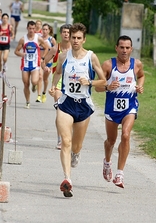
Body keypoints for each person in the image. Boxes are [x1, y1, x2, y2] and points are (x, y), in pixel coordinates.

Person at [49, 23, 106, 198]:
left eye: (79, 38)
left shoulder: (91, 57)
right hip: (66, 103)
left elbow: (103, 81)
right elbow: (58, 73)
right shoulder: (63, 56)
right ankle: (67, 180)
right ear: (70, 38)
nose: (75, 40)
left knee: (76, 144)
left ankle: (77, 153)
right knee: (65, 141)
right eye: (73, 37)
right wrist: (53, 87)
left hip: (83, 105)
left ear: (84, 39)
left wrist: (89, 82)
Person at [95, 35, 145, 188]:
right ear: (116, 48)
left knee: (125, 135)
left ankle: (120, 174)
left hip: (129, 106)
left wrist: (140, 86)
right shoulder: (108, 65)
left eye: (127, 48)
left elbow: (141, 76)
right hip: (112, 108)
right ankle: (107, 161)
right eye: (121, 47)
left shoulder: (136, 64)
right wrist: (107, 87)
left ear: (131, 49)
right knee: (111, 141)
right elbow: (97, 87)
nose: (124, 50)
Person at [41, 23, 71, 149]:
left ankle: (67, 136)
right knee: (60, 111)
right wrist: (46, 69)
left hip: (71, 83)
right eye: (64, 32)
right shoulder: (55, 48)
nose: (66, 34)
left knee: (69, 113)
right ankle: (60, 139)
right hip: (58, 82)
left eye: (68, 32)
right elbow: (44, 62)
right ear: (60, 34)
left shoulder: (75, 50)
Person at [14, 20, 50, 109]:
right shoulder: (23, 39)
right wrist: (22, 54)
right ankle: (27, 102)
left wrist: (42, 58)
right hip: (25, 65)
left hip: (35, 64)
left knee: (34, 81)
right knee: (26, 84)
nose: (31, 30)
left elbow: (46, 48)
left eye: (33, 28)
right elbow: (16, 51)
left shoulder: (38, 38)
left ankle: (34, 85)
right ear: (27, 28)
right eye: (30, 28)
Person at [35, 23, 56, 103]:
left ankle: (44, 93)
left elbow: (55, 50)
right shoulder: (39, 39)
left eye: (46, 29)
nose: (44, 31)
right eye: (43, 29)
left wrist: (48, 47)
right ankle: (39, 96)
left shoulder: (51, 39)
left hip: (48, 61)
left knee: (45, 79)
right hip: (40, 60)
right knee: (40, 77)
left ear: (49, 30)